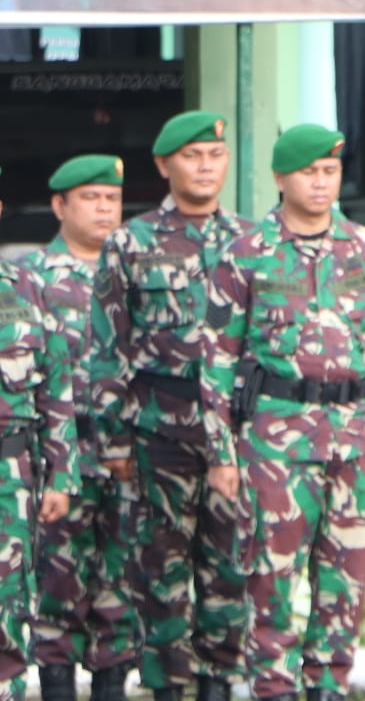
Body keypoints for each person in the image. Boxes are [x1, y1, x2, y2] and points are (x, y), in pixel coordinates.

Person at [200, 123, 365, 701]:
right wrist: (221, 452)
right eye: (308, 172)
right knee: (272, 576)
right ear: (280, 178)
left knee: (348, 575)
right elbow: (217, 359)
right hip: (276, 438)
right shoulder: (246, 253)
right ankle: (273, 689)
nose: (321, 182)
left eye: (330, 171)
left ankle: (328, 687)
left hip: (356, 436)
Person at [89, 111, 250, 701]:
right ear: (164, 165)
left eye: (215, 155)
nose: (205, 167)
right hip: (159, 434)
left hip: (235, 437)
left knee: (231, 571)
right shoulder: (129, 243)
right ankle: (166, 691)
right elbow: (108, 347)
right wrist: (113, 439)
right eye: (191, 156)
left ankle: (219, 686)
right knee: (160, 576)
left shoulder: (251, 242)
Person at [26, 156, 134, 701]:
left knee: (120, 587)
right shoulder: (31, 279)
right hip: (60, 460)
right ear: (59, 205)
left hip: (128, 458)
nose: (103, 209)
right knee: (57, 587)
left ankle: (112, 685)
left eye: (111, 198)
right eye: (90, 198)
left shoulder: (137, 273)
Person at [0, 172, 79, 701]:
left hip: (11, 479)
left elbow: (56, 386)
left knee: (8, 602)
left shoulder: (25, 288)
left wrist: (61, 473)